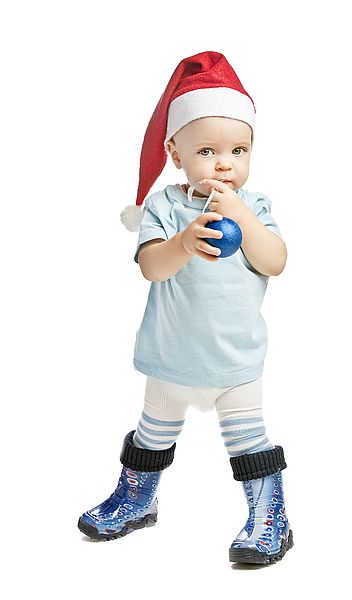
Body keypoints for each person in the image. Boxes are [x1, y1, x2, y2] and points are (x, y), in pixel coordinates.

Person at [77, 50, 293, 565]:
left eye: (239, 150)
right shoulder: (166, 207)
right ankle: (137, 498)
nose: (225, 164)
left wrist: (241, 215)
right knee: (153, 431)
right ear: (175, 152)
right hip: (171, 355)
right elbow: (152, 266)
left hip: (234, 360)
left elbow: (276, 261)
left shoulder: (255, 206)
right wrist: (184, 243)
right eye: (208, 151)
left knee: (248, 441)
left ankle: (270, 517)